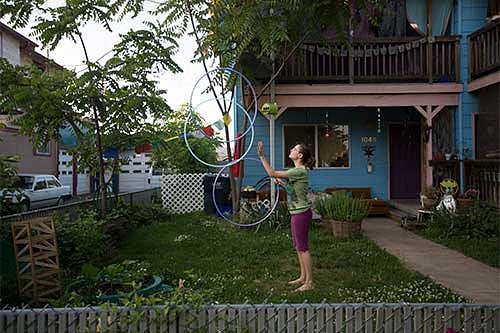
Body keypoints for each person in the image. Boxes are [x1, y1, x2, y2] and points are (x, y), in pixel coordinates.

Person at [257, 141, 315, 292]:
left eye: (294, 149)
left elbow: (271, 173)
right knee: (298, 247)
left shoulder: (298, 171)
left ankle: (309, 283)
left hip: (301, 214)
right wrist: (283, 184)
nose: (291, 149)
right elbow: (293, 191)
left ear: (299, 155)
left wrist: (262, 156)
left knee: (303, 248)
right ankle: (302, 277)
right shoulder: (298, 171)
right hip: (298, 212)